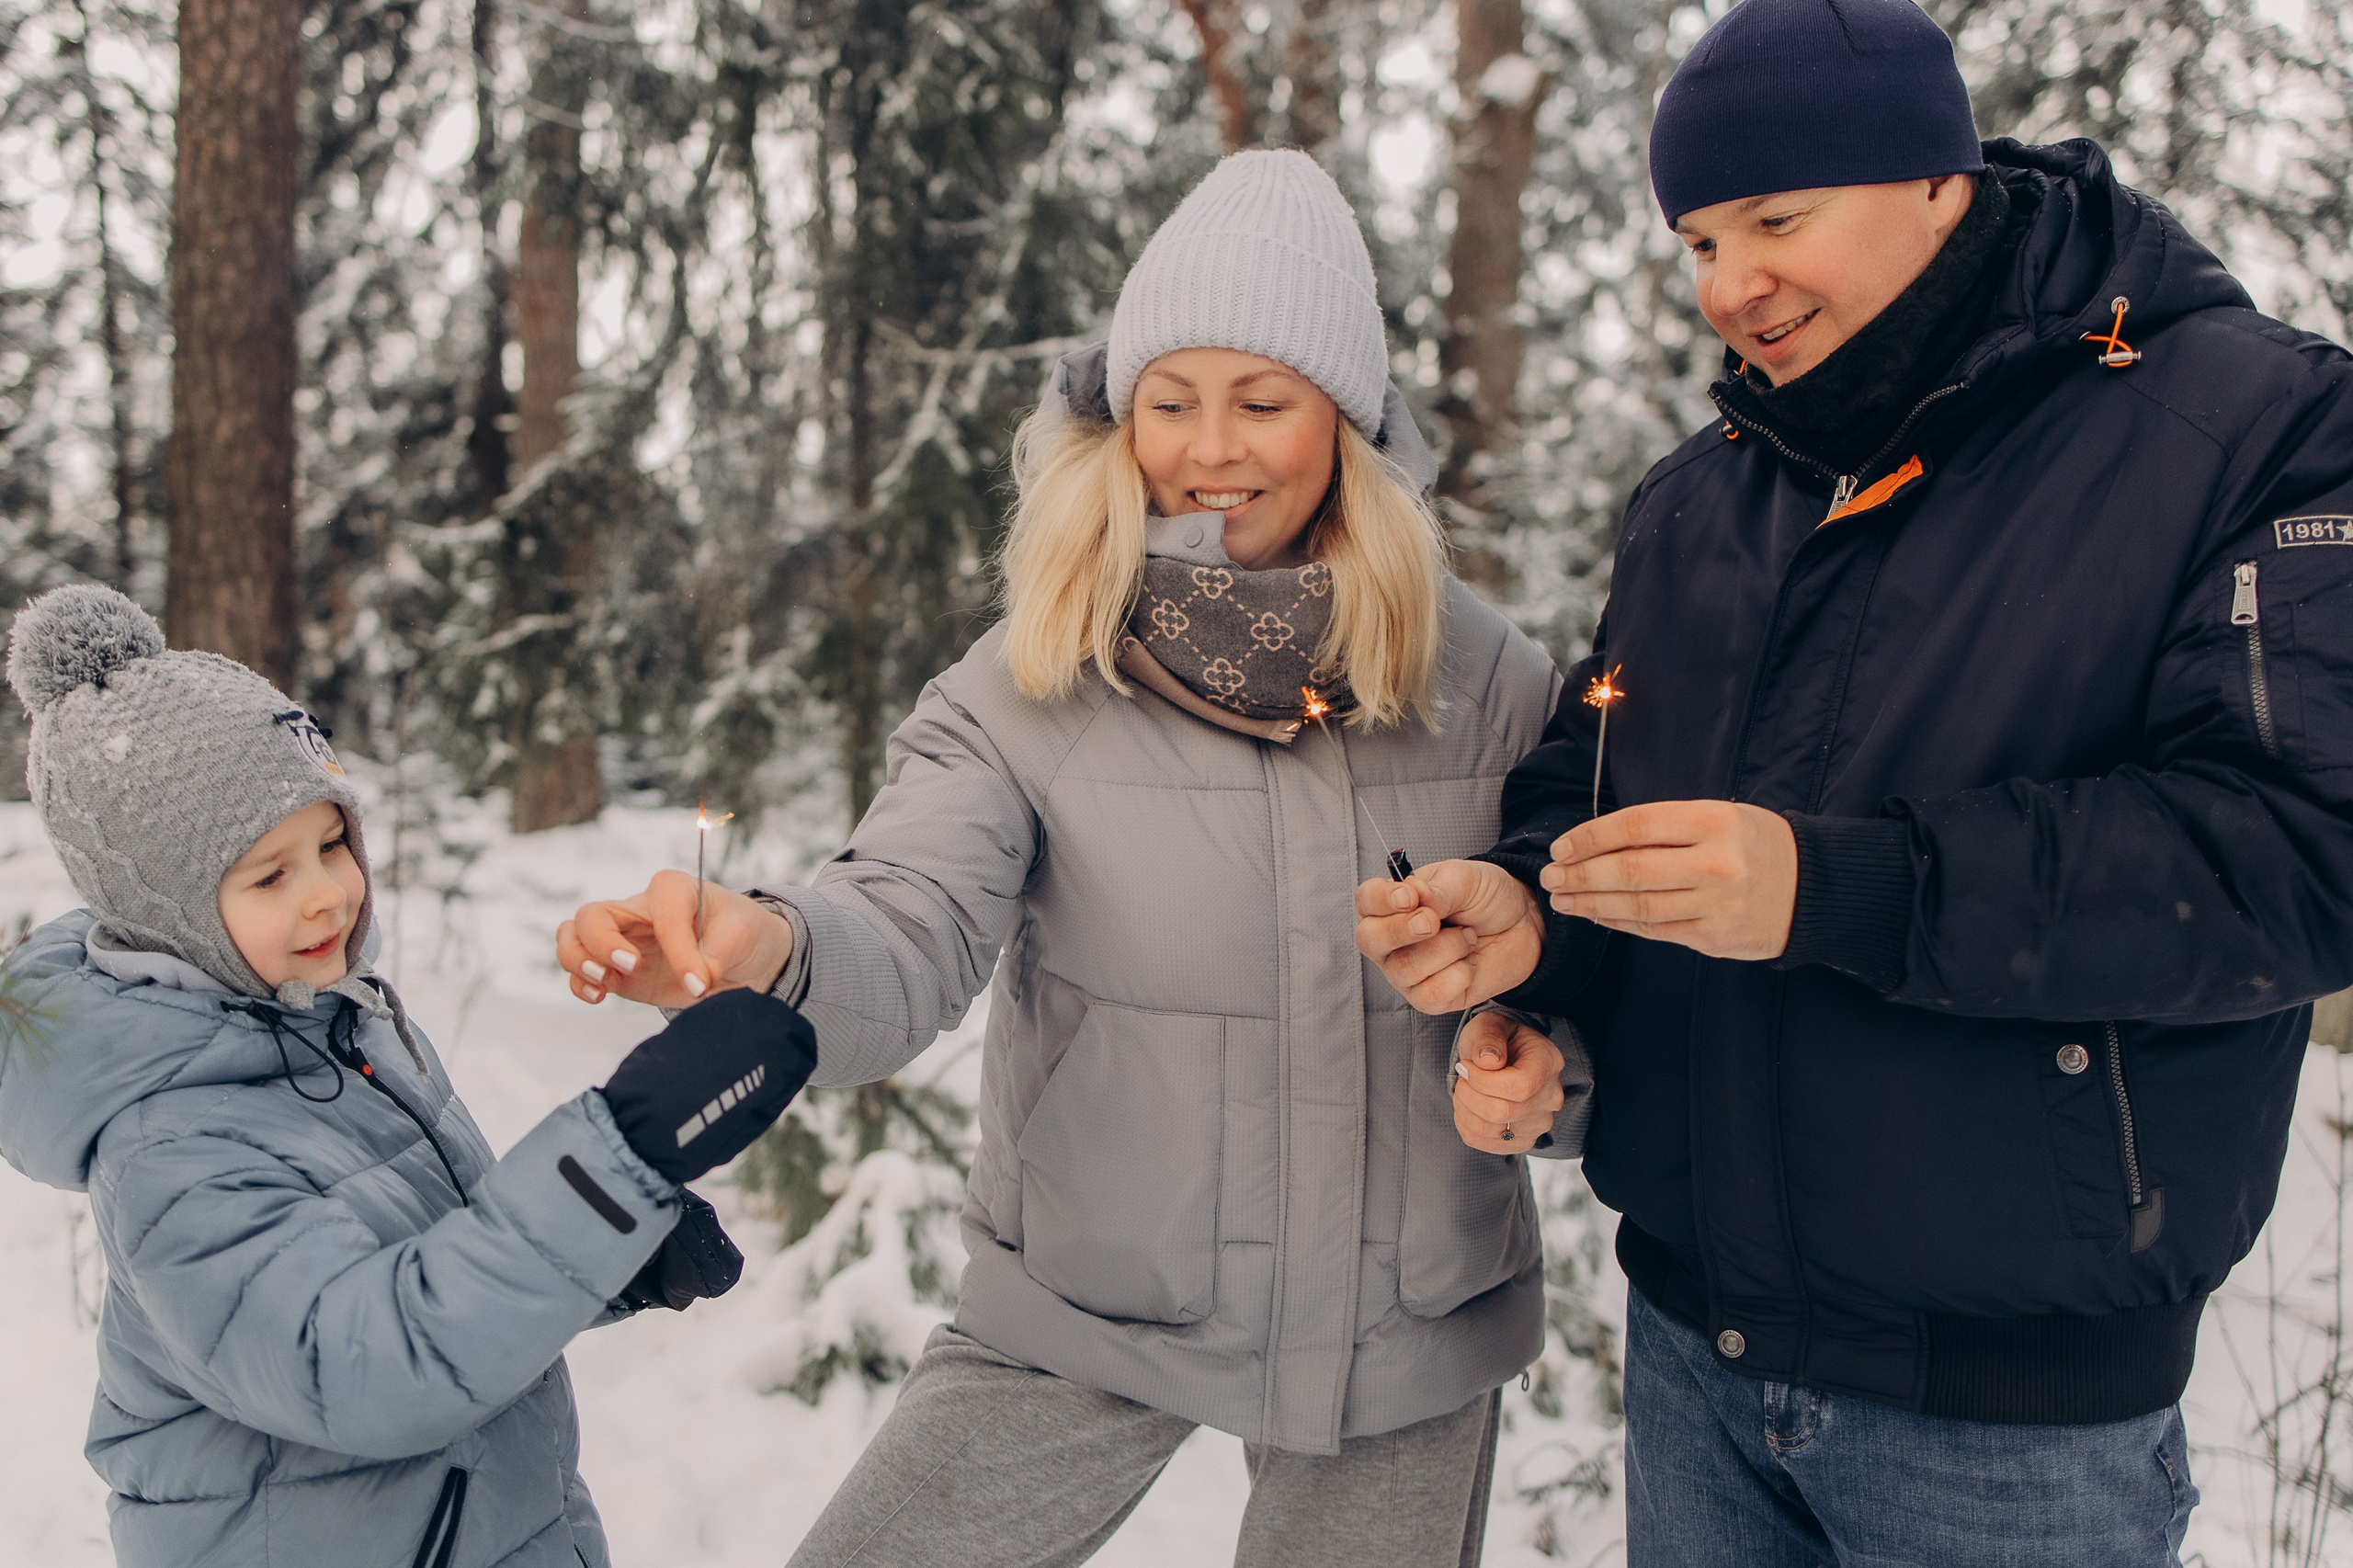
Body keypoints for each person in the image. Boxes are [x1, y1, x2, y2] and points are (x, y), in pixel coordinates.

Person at [1356, 0, 2353, 1562]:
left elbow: (2304, 855)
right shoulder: (1700, 501)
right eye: (1694, 241)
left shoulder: (2249, 427)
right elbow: (1602, 768)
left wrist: (1845, 885)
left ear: (1940, 178)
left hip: (2012, 1424)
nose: (1727, 285)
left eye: (1775, 219)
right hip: (1697, 1360)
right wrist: (1532, 918)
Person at [557, 150, 1564, 1566]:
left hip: (1402, 1329)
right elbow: (903, 920)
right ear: (1116, 416)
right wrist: (768, 948)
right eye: (1170, 401)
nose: (1209, 446)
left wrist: (1548, 1066)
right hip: (1091, 1301)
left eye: (1264, 401)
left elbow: (1574, 957)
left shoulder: (1489, 678)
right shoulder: (1035, 679)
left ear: (1349, 423)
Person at [0, 584, 819, 1567]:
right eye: (269, 874)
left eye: (333, 841)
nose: (326, 895)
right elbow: (367, 1362)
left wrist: (612, 1246)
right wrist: (610, 1160)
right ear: (164, 908)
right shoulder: (169, 1149)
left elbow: (435, 1251)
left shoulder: (335, 1026)